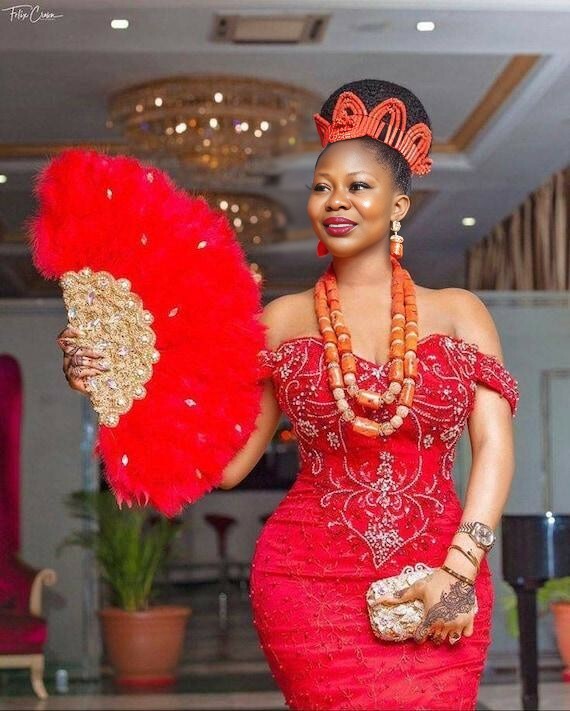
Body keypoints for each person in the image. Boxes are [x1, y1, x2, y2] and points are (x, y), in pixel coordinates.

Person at [57, 78, 520, 710]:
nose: (336, 201)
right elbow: (227, 467)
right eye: (322, 186)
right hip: (305, 582)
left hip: (445, 569)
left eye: (358, 186)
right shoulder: (280, 320)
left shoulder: (461, 313)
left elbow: (494, 447)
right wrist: (118, 376)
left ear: (399, 204)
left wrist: (460, 572)